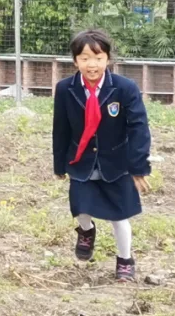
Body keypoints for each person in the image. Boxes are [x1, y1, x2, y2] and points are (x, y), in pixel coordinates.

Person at [53, 29, 151, 281]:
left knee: (119, 217)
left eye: (98, 58)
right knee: (80, 208)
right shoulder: (66, 89)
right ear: (75, 61)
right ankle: (86, 231)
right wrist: (59, 164)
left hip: (116, 162)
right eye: (84, 58)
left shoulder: (124, 88)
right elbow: (60, 128)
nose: (91, 64)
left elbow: (138, 127)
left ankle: (125, 260)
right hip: (80, 159)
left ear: (108, 59)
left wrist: (138, 167)